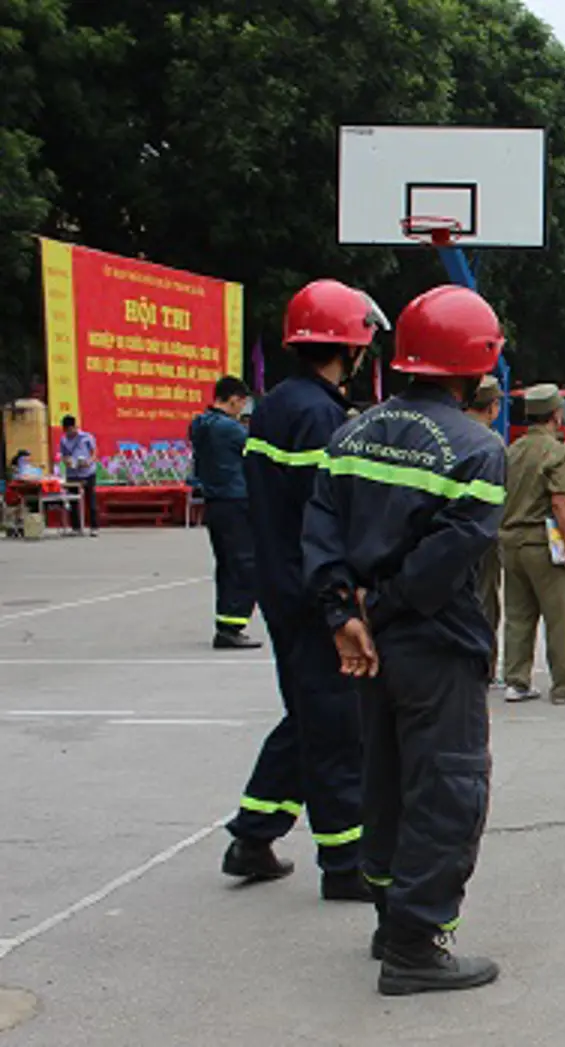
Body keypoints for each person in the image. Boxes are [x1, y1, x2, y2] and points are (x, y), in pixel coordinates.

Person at [305, 284, 508, 995]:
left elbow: (321, 527)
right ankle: (418, 944)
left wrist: (345, 613)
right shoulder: (478, 449)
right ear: (478, 362)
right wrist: (385, 607)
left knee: (384, 779)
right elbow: (451, 553)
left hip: (366, 643)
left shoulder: (349, 433)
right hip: (433, 641)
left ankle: (391, 916)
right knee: (447, 784)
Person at [223, 278, 384, 900]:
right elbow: (329, 518)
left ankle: (254, 831)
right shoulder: (320, 416)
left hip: (282, 587)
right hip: (315, 593)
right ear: (351, 345)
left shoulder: (276, 404)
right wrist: (344, 598)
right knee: (340, 727)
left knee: (310, 716)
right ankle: (346, 866)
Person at [499, 384, 565, 706]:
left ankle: (516, 681)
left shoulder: (513, 450)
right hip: (543, 542)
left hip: (510, 540)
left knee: (518, 615)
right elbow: (561, 503)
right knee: (561, 614)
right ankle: (564, 686)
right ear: (556, 414)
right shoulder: (558, 452)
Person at [191, 376, 261, 649]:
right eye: (241, 405)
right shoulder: (230, 430)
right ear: (234, 399)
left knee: (227, 564)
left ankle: (227, 622)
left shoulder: (199, 425)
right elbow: (256, 453)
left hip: (214, 501)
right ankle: (231, 626)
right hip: (236, 501)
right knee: (244, 564)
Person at [465, 376, 505, 680]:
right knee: (485, 599)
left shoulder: (446, 432)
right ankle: (484, 663)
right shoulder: (491, 443)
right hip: (484, 535)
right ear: (493, 407)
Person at [56, 415, 99, 535]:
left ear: (75, 427)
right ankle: (76, 527)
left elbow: (94, 453)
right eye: (66, 430)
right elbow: (63, 456)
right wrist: (67, 462)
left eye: (71, 430)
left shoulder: (86, 437)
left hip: (88, 472)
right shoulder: (64, 440)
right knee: (73, 501)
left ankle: (94, 527)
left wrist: (89, 462)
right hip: (72, 473)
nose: (69, 433)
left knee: (90, 499)